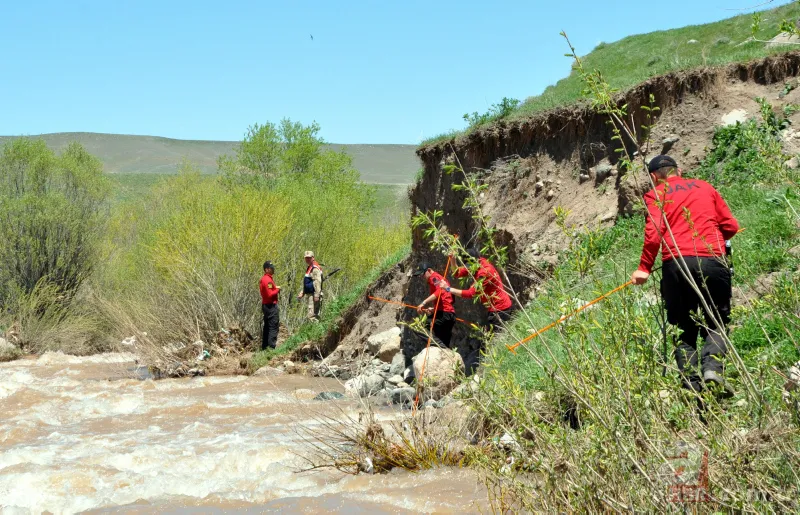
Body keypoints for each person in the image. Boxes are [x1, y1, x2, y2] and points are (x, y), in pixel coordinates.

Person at [631, 155, 739, 397]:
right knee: (716, 322)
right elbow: (731, 227)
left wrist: (644, 268)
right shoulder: (705, 187)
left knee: (683, 328)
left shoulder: (655, 195)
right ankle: (713, 370)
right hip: (713, 260)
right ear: (678, 171)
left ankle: (691, 386)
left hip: (676, 265)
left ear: (653, 177)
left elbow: (654, 233)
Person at [446, 248, 513, 330]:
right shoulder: (478, 262)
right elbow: (457, 273)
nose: (469, 268)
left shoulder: (485, 272)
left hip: (500, 309)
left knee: (501, 335)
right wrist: (453, 259)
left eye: (470, 266)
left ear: (475, 261)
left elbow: (471, 293)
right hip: (495, 308)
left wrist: (448, 289)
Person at [412, 262, 456, 349]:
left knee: (419, 327)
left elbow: (440, 291)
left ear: (429, 270)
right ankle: (444, 349)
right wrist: (435, 308)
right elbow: (449, 298)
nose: (422, 277)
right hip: (450, 314)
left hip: (444, 314)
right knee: (444, 341)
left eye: (422, 274)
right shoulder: (440, 279)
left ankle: (439, 346)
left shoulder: (434, 277)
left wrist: (423, 302)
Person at [259, 261, 280, 351]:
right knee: (273, 326)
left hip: (266, 305)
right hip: (270, 306)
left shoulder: (265, 279)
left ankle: (264, 348)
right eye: (271, 268)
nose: (273, 269)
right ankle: (271, 348)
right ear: (266, 269)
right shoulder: (267, 280)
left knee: (267, 326)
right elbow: (270, 294)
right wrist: (277, 290)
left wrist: (275, 288)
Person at [297, 250, 323, 322]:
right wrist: (303, 292)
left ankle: (316, 329)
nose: (307, 259)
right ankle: (316, 328)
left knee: (312, 316)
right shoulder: (310, 267)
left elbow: (317, 282)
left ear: (313, 258)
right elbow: (308, 282)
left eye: (309, 258)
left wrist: (317, 295)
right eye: (306, 258)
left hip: (314, 294)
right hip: (310, 294)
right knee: (312, 315)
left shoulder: (314, 268)